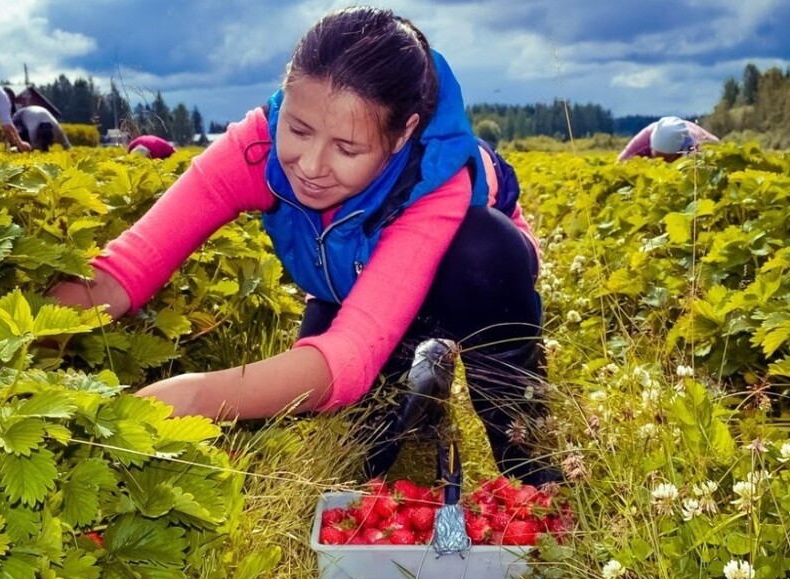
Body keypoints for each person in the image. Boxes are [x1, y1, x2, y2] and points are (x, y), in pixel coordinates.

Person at [50, 6, 556, 485]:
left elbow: (347, 359)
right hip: (353, 286)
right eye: (299, 128)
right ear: (284, 98)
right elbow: (128, 268)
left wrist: (197, 394)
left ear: (403, 135)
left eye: (347, 148)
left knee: (480, 252)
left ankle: (529, 457)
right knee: (365, 455)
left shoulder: (434, 179)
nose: (311, 166)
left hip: (472, 280)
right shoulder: (255, 147)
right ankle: (421, 391)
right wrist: (20, 348)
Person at [617, 115, 719, 162]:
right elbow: (621, 161)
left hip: (715, 145)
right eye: (656, 155)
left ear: (677, 152)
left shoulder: (695, 146)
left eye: (666, 158)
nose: (661, 162)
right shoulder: (646, 136)